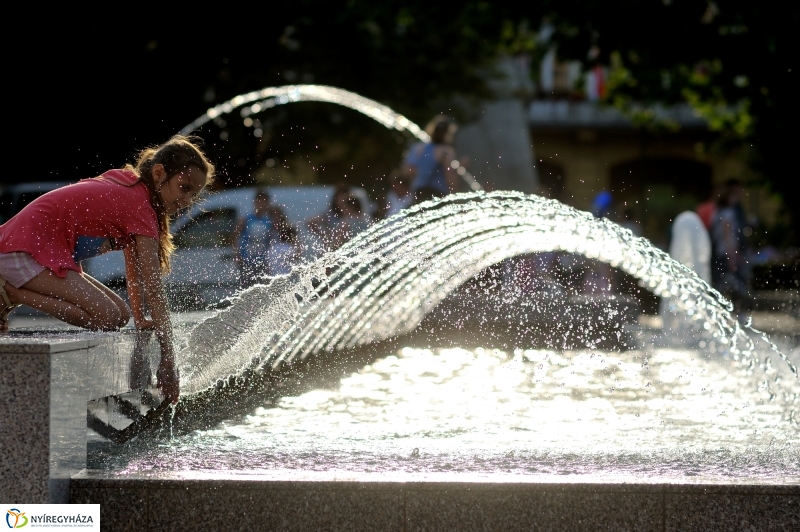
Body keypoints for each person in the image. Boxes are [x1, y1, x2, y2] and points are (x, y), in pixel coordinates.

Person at [0, 135, 215, 403]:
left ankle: (10, 291)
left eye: (194, 194)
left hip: (35, 247)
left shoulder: (135, 189)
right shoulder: (140, 205)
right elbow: (154, 288)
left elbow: (134, 270)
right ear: (159, 173)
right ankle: (10, 292)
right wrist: (169, 361)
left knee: (119, 314)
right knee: (107, 317)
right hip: (23, 250)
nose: (187, 200)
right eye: (184, 188)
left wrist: (139, 317)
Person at [710, 179, 750, 308]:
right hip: (726, 253)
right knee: (734, 284)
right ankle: (736, 313)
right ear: (728, 198)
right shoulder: (728, 213)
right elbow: (727, 237)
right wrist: (733, 256)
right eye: (734, 196)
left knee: (721, 284)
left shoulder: (718, 211)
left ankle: (720, 313)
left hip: (719, 253)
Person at [404, 115, 460, 202]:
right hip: (438, 193)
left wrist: (423, 170)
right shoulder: (446, 151)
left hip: (419, 191)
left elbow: (409, 171)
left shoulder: (418, 148)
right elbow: (450, 178)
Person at [232, 188, 273, 288]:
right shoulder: (246, 219)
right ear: (256, 202)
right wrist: (237, 255)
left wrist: (269, 260)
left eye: (265, 202)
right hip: (246, 260)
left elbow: (270, 242)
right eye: (261, 202)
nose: (263, 205)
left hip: (262, 261)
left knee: (262, 288)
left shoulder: (268, 221)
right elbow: (234, 238)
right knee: (246, 287)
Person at [265, 205, 301, 276]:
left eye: (277, 216)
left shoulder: (288, 229)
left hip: (286, 262)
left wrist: (291, 258)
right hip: (271, 264)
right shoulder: (267, 231)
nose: (275, 219)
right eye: (272, 217)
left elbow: (298, 249)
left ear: (281, 216)